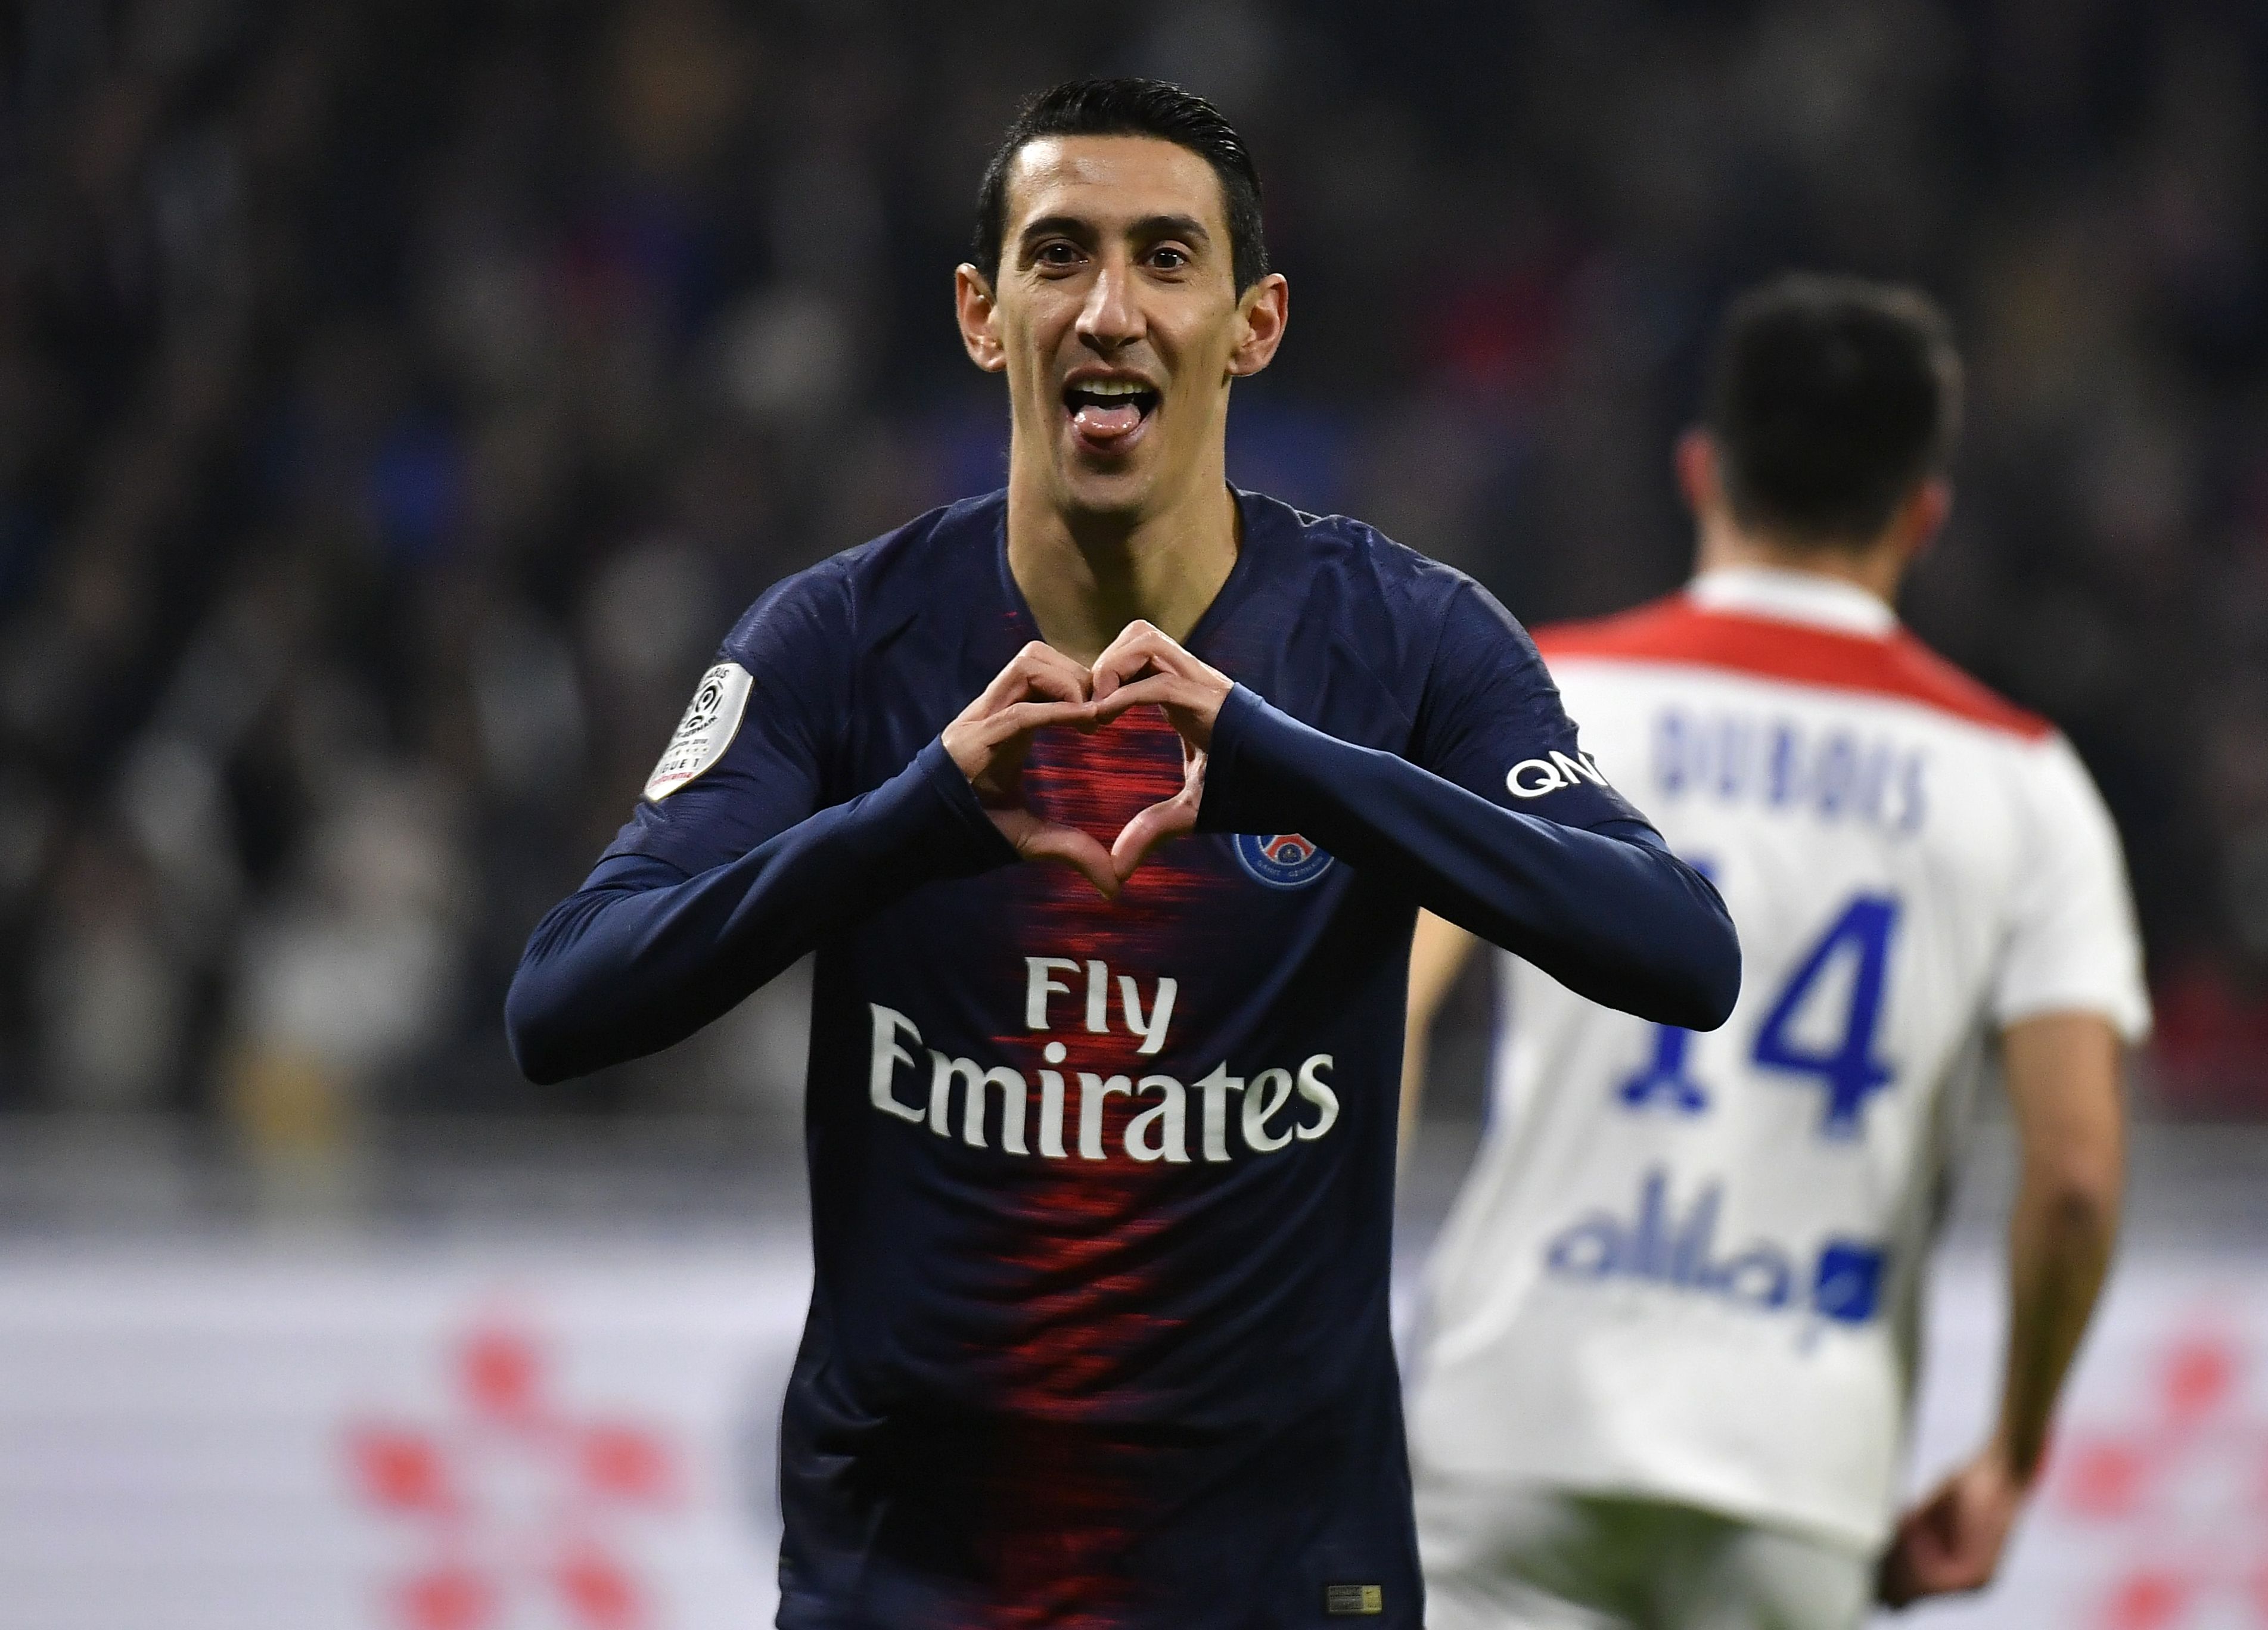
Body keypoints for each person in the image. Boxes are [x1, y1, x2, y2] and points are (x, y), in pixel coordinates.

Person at [505, 78, 1737, 1630]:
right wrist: (919, 820)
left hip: (1280, 1573)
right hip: (917, 1571)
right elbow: (562, 1002)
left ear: (1254, 323)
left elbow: (1683, 950)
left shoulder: (1407, 643)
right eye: (1059, 254)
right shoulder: (840, 643)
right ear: (979, 311)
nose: (1108, 308)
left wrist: (1288, 768)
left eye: (1166, 258)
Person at [1400, 274, 2148, 1630]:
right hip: (1799, 1466)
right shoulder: (2028, 785)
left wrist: (1316, 1332)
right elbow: (2081, 1176)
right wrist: (2012, 1454)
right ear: (1926, 511)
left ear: (1700, 472)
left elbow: (1373, 1012)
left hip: (1511, 1422)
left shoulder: (1543, 700)